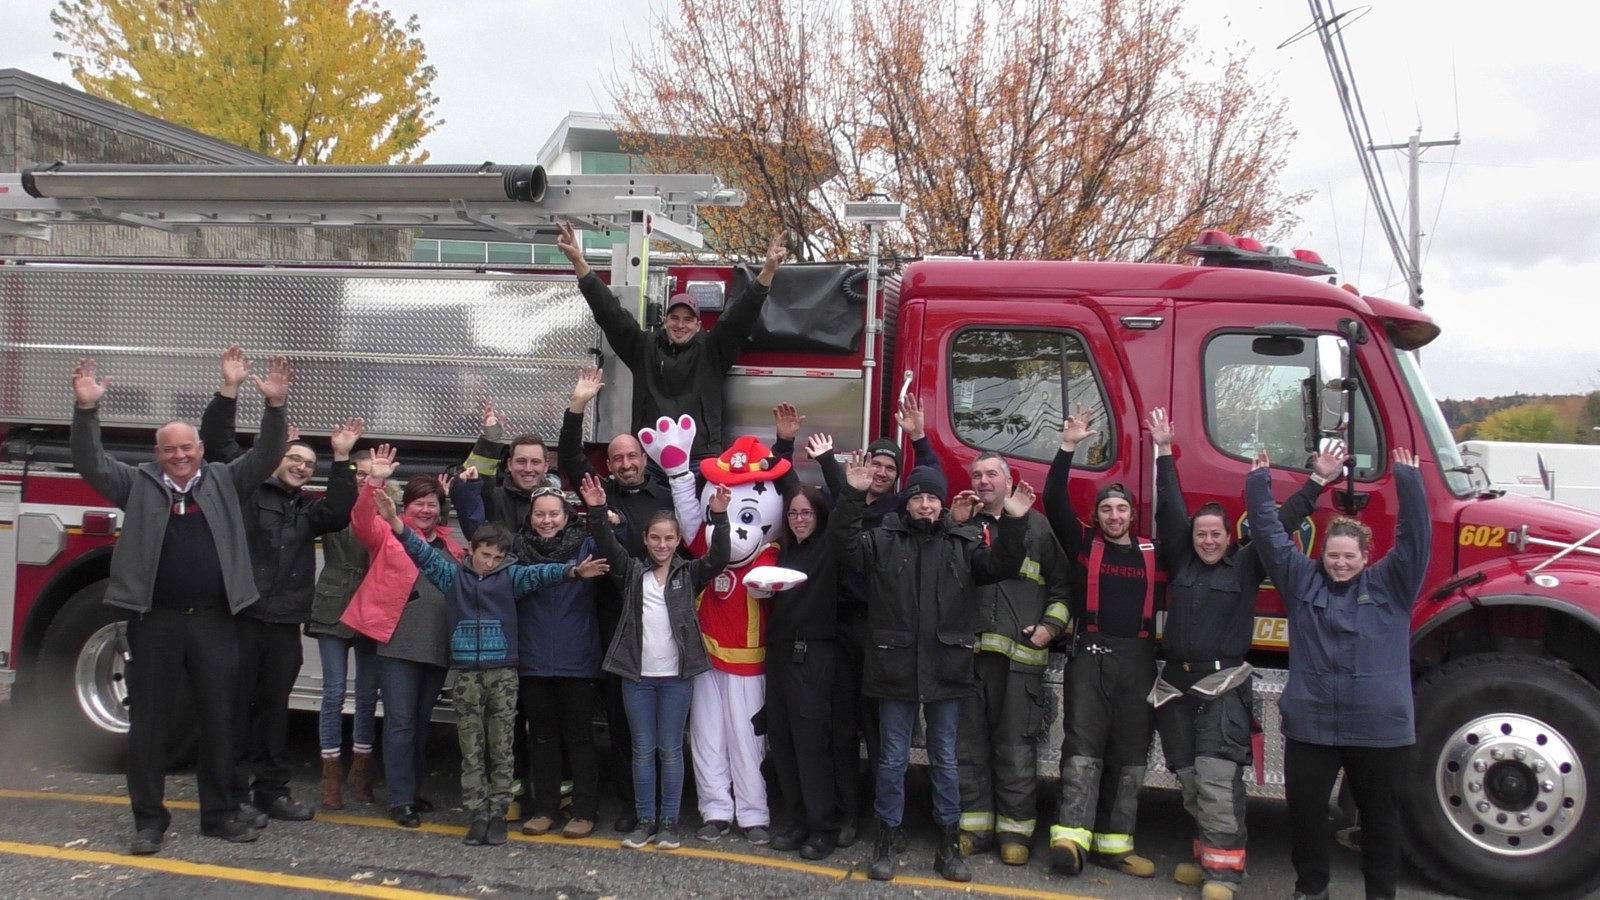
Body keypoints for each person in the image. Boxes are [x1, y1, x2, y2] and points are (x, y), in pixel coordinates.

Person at [69, 352, 289, 854]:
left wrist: (274, 406)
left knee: (219, 721)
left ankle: (219, 815)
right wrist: (86, 412)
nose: (180, 456)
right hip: (155, 623)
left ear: (200, 448)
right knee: (149, 725)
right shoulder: (136, 484)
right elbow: (89, 462)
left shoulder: (224, 480)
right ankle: (149, 821)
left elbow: (268, 453)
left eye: (187, 447)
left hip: (214, 622)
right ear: (158, 452)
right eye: (171, 449)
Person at [1149, 409, 1344, 900]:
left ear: (1229, 538)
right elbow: (1168, 507)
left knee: (1218, 781)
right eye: (1201, 534)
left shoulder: (1247, 563)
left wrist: (1318, 481)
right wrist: (1163, 451)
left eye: (1216, 533)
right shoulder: (1181, 562)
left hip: (1223, 688)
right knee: (1190, 781)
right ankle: (1208, 855)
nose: (1208, 540)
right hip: (1175, 686)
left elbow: (1281, 523)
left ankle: (1225, 875)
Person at [835, 454, 1032, 883]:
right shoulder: (882, 541)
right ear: (905, 504)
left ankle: (948, 845)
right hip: (895, 669)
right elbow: (844, 546)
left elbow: (1002, 565)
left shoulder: (962, 544)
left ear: (943, 504)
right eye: (918, 497)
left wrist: (1015, 522)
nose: (926, 505)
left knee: (945, 759)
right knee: (890, 760)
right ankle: (887, 838)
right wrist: (851, 495)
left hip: (946, 670)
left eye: (932, 499)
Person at [1246, 448, 1430, 900]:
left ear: (1367, 556)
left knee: (1380, 822)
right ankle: (1311, 890)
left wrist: (1407, 481)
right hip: (1313, 728)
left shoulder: (1393, 584)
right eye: (1333, 555)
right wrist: (1259, 484)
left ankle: (1380, 894)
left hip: (1379, 732)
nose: (1340, 563)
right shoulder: (1301, 580)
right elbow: (1269, 535)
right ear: (1321, 554)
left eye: (1349, 556)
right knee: (1306, 817)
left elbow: (1415, 539)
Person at [375, 491, 606, 846]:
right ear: (471, 551)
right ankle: (477, 814)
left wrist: (573, 570)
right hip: (467, 676)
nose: (491, 563)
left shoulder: (511, 578)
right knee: (471, 748)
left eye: (498, 558)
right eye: (486, 555)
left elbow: (542, 574)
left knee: (502, 747)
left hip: (504, 675)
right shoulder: (452, 578)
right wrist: (394, 522)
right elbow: (420, 554)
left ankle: (498, 813)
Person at [198, 346, 362, 827]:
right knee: (235, 712)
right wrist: (230, 391)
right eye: (294, 457)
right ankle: (233, 795)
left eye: (308, 463)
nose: (301, 466)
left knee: (274, 713)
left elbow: (336, 512)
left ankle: (272, 792)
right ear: (272, 459)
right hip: (243, 619)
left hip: (285, 624)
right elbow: (219, 445)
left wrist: (341, 459)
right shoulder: (243, 492)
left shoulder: (306, 510)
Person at [579, 472, 731, 852]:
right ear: (645, 540)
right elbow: (606, 544)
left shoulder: (689, 572)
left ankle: (669, 823)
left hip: (676, 678)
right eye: (655, 538)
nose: (662, 544)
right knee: (642, 750)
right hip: (638, 677)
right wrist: (597, 510)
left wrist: (720, 517)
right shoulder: (631, 572)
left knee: (670, 749)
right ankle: (645, 820)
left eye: (669, 538)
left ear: (678, 541)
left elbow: (720, 558)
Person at [1043, 404, 1164, 879]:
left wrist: (1167, 452)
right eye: (1107, 509)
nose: (1114, 516)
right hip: (1088, 658)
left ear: (1134, 515)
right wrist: (1068, 445)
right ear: (1096, 515)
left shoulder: (1154, 552)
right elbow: (1053, 500)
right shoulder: (1082, 543)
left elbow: (1173, 510)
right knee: (1083, 749)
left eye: (1122, 509)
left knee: (1131, 753)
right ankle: (1071, 840)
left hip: (1138, 661)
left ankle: (1115, 845)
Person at [814, 396, 941, 846]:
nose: (883, 472)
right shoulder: (844, 502)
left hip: (885, 634)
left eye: (891, 467)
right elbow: (833, 494)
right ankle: (850, 815)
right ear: (865, 466)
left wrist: (920, 439)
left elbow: (935, 484)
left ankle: (889, 817)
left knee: (885, 731)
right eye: (877, 464)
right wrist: (828, 460)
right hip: (843, 629)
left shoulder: (902, 511)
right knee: (844, 726)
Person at [556, 220, 786, 461]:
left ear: (698, 325)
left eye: (688, 320)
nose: (680, 325)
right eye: (674, 318)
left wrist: (768, 269)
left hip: (699, 458)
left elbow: (743, 314)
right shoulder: (643, 348)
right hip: (652, 458)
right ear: (664, 321)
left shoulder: (713, 351)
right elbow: (609, 312)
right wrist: (577, 260)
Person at [557, 367, 676, 833]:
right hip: (612, 620)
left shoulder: (664, 496)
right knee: (626, 719)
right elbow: (568, 454)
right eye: (617, 458)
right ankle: (633, 801)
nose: (626, 464)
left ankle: (668, 801)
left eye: (632, 456)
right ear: (608, 465)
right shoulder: (597, 492)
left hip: (660, 624)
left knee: (663, 719)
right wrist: (577, 405)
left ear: (644, 458)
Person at [956, 450, 1072, 866]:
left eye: (991, 474)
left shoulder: (1037, 528)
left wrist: (1049, 628)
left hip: (1019, 663)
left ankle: (1016, 834)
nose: (984, 480)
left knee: (1014, 749)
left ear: (1009, 481)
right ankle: (973, 828)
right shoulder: (963, 527)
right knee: (967, 747)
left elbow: (1063, 589)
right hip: (967, 660)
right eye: (977, 474)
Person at [341, 461, 464, 829]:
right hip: (397, 644)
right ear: (405, 507)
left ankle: (412, 789)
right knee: (400, 722)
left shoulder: (449, 543)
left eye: (432, 503)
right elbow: (362, 520)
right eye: (418, 503)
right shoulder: (388, 533)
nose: (426, 510)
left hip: (436, 646)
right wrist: (374, 482)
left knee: (422, 723)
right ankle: (399, 799)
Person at [761, 433, 861, 860]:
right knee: (781, 741)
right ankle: (796, 819)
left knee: (811, 744)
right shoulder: (780, 551)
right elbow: (784, 482)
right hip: (779, 657)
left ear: (820, 516)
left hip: (815, 657)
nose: (800, 518)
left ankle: (823, 827)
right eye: (794, 513)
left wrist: (835, 472)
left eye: (807, 513)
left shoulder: (830, 550)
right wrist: (783, 443)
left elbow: (844, 515)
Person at [506, 485, 609, 839]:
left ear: (567, 517)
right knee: (543, 738)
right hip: (533, 658)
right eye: (540, 514)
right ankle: (545, 808)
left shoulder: (587, 546)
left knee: (579, 738)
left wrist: (603, 515)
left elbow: (617, 547)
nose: (547, 520)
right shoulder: (516, 551)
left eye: (554, 514)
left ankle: (584, 810)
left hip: (576, 659)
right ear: (530, 518)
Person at [306, 446, 383, 810]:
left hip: (370, 605)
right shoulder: (335, 507)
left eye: (368, 475)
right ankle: (330, 776)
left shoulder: (383, 509)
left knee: (368, 693)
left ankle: (361, 771)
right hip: (334, 602)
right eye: (357, 474)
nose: (362, 480)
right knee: (334, 691)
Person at [463, 398, 561, 533]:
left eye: (535, 462)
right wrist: (490, 442)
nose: (528, 469)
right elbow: (467, 488)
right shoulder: (493, 499)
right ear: (509, 464)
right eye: (521, 461)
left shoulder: (560, 505)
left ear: (545, 467)